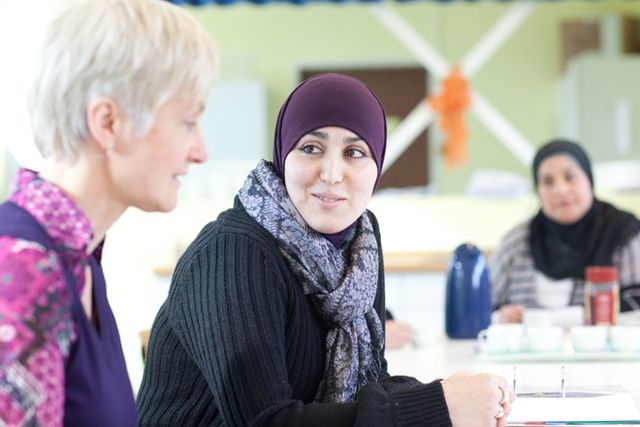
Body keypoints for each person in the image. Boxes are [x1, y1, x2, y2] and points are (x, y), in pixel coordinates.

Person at [137, 73, 511, 427]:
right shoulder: (233, 253)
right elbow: (266, 421)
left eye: (355, 152)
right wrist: (438, 406)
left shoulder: (359, 245)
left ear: (377, 166)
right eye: (311, 148)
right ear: (284, 156)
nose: (332, 173)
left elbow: (370, 383)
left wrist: (455, 394)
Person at [0, 1, 218, 425]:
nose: (201, 152)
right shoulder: (24, 270)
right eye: (188, 122)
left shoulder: (79, 261)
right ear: (109, 122)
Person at [491, 139, 640, 323]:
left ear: (589, 179)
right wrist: (500, 316)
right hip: (527, 351)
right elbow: (486, 308)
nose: (560, 190)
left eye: (570, 177)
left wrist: (555, 319)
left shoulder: (624, 234)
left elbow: (636, 304)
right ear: (538, 191)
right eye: (547, 181)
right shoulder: (515, 243)